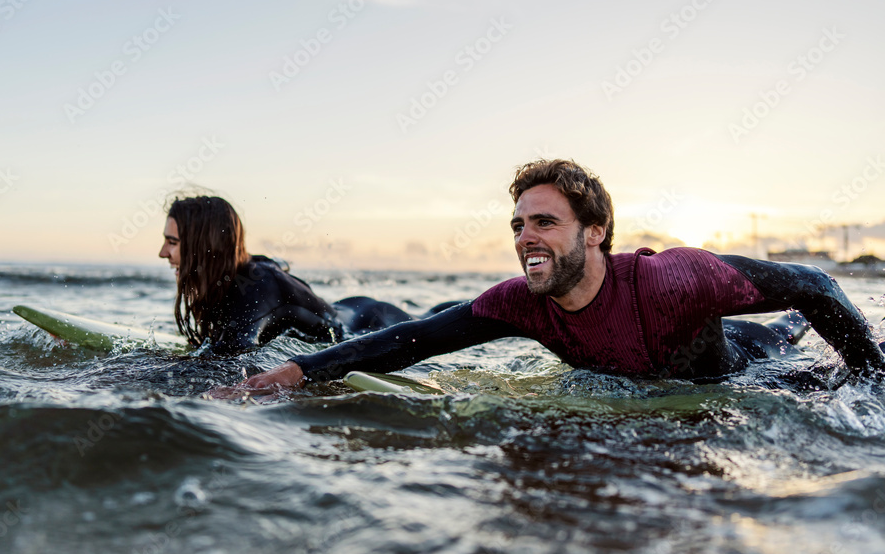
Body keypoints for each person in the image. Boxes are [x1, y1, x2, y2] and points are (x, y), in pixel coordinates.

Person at [224, 159, 885, 393]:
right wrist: (296, 373)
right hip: (638, 372)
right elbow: (416, 339)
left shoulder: (676, 277)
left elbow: (816, 284)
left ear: (594, 231)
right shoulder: (523, 303)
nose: (524, 238)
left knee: (789, 330)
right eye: (516, 224)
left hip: (740, 362)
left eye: (543, 221)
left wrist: (871, 376)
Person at [160, 195, 450, 356]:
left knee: (439, 318)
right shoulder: (235, 278)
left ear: (204, 246)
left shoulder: (255, 288)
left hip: (372, 322)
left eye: (172, 242)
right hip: (351, 308)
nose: (163, 252)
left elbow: (225, 363)